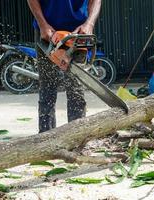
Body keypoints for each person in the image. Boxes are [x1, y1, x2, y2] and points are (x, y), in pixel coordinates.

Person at [27, 0, 102, 133]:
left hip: (79, 31)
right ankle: (46, 136)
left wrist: (89, 23)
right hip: (47, 30)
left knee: (75, 89)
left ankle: (76, 135)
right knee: (47, 87)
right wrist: (42, 24)